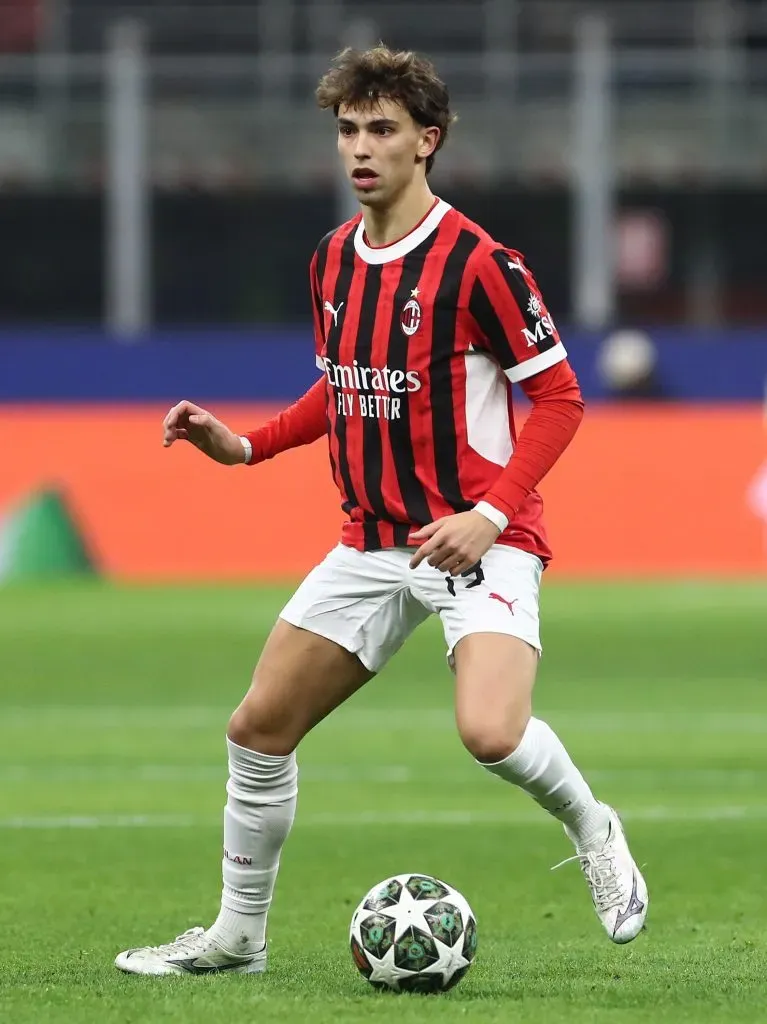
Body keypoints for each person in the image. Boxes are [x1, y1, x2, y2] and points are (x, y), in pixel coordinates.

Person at [115, 44, 648, 977]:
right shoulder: (331, 261)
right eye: (348, 130)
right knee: (257, 730)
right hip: (372, 543)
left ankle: (592, 826)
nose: (360, 148)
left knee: (489, 733)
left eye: (382, 130)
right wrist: (246, 445)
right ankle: (237, 939)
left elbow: (560, 400)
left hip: (478, 539)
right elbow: (343, 389)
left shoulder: (481, 263)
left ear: (425, 142)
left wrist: (489, 512)